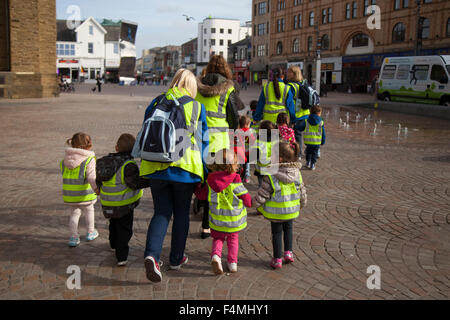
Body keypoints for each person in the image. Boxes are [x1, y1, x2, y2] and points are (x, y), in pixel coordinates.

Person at [137, 68, 209, 282]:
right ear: (192, 86)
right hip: (183, 169)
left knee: (161, 212)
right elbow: (202, 141)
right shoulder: (196, 106)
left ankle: (152, 255)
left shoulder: (156, 102)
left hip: (155, 165)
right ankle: (176, 258)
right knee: (181, 215)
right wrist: (204, 173)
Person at [195, 55, 241, 238]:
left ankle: (198, 201)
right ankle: (207, 225)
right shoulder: (228, 89)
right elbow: (234, 116)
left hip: (199, 140)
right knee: (215, 182)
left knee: (201, 177)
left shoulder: (197, 87)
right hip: (219, 143)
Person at [252, 141, 307, 269]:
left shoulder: (271, 175)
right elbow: (302, 190)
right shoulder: (297, 173)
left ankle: (277, 259)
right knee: (289, 229)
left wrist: (254, 203)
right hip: (291, 210)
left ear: (280, 158)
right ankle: (288, 253)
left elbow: (263, 194)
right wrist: (302, 203)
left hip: (276, 212)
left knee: (276, 233)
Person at [96, 134, 147, 267]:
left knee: (113, 223)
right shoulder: (129, 165)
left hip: (108, 202)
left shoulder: (103, 162)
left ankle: (113, 244)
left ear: (116, 147)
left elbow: (99, 180)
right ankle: (122, 255)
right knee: (124, 228)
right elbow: (134, 183)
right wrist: (149, 180)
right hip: (124, 204)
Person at [202, 149, 252, 274]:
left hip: (217, 219)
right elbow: (247, 200)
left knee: (218, 239)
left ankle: (216, 256)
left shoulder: (210, 181)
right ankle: (232, 263)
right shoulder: (235, 181)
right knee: (233, 240)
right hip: (233, 220)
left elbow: (201, 195)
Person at [60, 132, 99, 247]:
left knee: (74, 214)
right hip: (85, 194)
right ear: (89, 145)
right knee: (89, 210)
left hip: (70, 194)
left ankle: (73, 237)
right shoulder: (89, 159)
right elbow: (92, 177)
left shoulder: (65, 160)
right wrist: (96, 189)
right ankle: (91, 232)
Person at [286, 65, 309, 159]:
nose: (287, 73)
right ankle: (299, 154)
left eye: (289, 72)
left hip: (295, 114)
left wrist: (291, 116)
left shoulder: (290, 86)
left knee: (292, 135)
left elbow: (289, 102)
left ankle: (295, 153)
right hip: (304, 114)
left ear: (294, 74)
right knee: (298, 134)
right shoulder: (303, 84)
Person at [295, 105, 326, 170]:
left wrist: (295, 127)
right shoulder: (321, 122)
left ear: (310, 112)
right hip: (317, 142)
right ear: (319, 113)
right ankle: (313, 164)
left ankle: (308, 162)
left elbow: (301, 128)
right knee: (314, 153)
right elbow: (323, 133)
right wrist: (323, 141)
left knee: (308, 152)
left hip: (308, 141)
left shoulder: (306, 121)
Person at [251, 120, 276, 186]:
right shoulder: (275, 141)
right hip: (272, 169)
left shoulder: (258, 142)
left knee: (262, 187)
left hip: (260, 169)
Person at [234, 115, 256, 183]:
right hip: (246, 151)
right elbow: (253, 141)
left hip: (238, 151)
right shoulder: (249, 132)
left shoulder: (237, 131)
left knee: (238, 164)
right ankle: (246, 177)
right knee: (247, 164)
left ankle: (236, 177)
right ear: (247, 124)